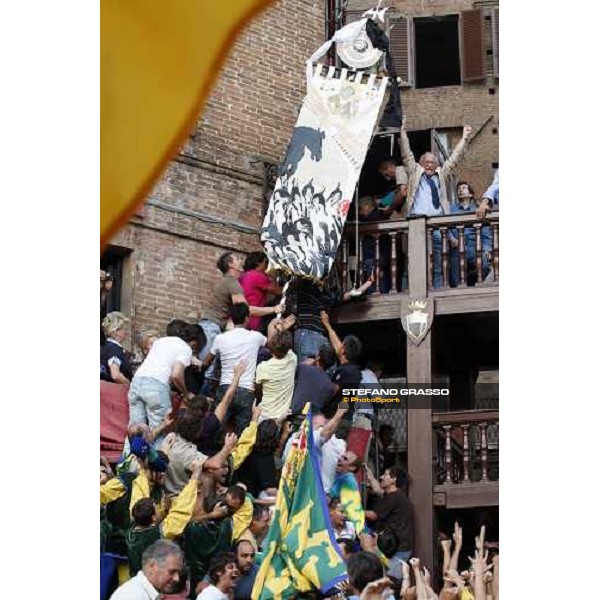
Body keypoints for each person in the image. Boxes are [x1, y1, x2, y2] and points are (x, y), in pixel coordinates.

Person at [399, 117, 473, 288]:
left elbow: (454, 159)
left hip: (437, 225)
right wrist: (402, 131)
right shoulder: (414, 171)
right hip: (417, 224)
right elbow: (406, 153)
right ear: (421, 163)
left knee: (438, 263)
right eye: (427, 162)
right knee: (414, 262)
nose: (430, 165)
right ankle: (409, 293)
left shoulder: (441, 174)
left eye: (433, 162)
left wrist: (464, 138)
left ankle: (437, 290)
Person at [203, 304, 295, 434]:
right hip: (246, 392)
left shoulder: (220, 338)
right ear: (247, 318)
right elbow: (272, 345)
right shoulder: (255, 337)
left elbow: (207, 362)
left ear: (231, 319)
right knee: (242, 434)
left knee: (216, 428)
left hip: (225, 388)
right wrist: (278, 328)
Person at [199, 252, 284, 392]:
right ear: (230, 264)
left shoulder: (235, 280)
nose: (241, 260)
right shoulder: (233, 282)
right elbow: (245, 310)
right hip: (212, 326)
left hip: (212, 325)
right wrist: (274, 309)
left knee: (211, 370)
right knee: (209, 373)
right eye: (237, 259)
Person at [128, 322, 204, 445]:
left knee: (134, 430)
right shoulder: (185, 348)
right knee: (159, 432)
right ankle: (155, 463)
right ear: (192, 341)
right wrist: (186, 393)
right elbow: (176, 375)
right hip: (156, 387)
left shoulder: (160, 341)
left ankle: (128, 461)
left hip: (137, 381)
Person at [292, 277, 371, 364]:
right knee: (307, 370)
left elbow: (350, 295)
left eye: (324, 277)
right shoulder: (305, 286)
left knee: (324, 368)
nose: (322, 279)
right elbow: (298, 278)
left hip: (320, 335)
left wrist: (368, 283)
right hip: (307, 332)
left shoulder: (329, 294)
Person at [364, 466, 414, 578]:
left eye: (385, 474)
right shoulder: (395, 495)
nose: (381, 477)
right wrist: (370, 476)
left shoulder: (394, 498)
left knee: (391, 584)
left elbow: (373, 515)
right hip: (397, 549)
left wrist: (352, 511)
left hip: (398, 552)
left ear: (393, 479)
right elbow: (378, 490)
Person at [320, 311, 363, 420]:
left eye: (342, 344)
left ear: (343, 350)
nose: (339, 345)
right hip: (344, 417)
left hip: (338, 419)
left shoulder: (346, 371)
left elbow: (332, 391)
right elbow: (337, 344)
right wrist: (327, 324)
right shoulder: (352, 368)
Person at [448, 181, 492, 287]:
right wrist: (452, 238)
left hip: (474, 247)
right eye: (459, 189)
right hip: (457, 247)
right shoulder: (451, 209)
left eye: (464, 188)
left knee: (485, 266)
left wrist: (486, 248)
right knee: (454, 280)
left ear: (471, 194)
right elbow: (446, 228)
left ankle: (471, 281)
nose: (461, 190)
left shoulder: (478, 209)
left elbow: (485, 230)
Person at [109, 539, 185, 599]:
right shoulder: (133, 595)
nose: (177, 578)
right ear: (152, 566)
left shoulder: (144, 591)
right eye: (172, 572)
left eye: (178, 573)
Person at [254, 330, 297, 421]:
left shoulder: (263, 367)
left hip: (265, 413)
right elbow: (286, 346)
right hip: (281, 416)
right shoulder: (293, 358)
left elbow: (257, 391)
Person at [238, 251, 283, 331]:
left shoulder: (244, 275)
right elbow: (279, 291)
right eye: (266, 262)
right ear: (258, 263)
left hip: (240, 318)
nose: (266, 265)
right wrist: (272, 274)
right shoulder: (258, 276)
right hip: (253, 319)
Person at [236, 418, 278, 498]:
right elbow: (270, 490)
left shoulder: (249, 446)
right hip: (251, 493)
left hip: (241, 483)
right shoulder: (266, 458)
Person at [290, 343, 337, 415]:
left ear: (318, 357)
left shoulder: (303, 369)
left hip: (293, 415)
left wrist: (307, 363)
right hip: (312, 421)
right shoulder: (330, 387)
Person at [101, 311, 133, 384]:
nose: (127, 332)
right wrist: (130, 386)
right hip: (111, 391)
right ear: (115, 331)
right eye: (124, 329)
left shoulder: (103, 347)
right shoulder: (114, 349)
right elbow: (115, 375)